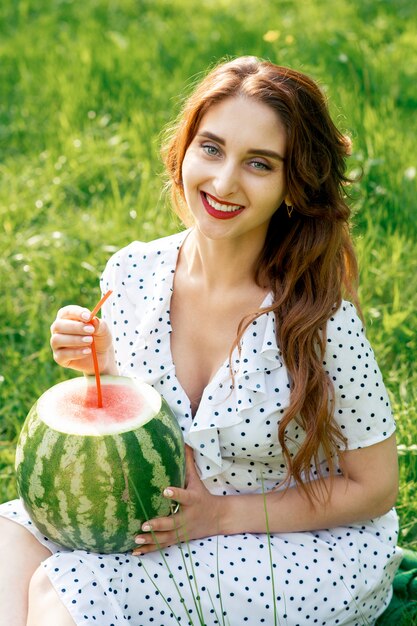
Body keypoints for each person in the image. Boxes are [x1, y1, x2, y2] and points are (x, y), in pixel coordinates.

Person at [0, 56, 402, 626]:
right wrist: (96, 363)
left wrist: (219, 516)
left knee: (64, 592)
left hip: (296, 539)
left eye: (259, 164)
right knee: (4, 546)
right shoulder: (131, 273)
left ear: (292, 186)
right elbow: (144, 420)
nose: (222, 182)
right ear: (185, 149)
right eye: (211, 149)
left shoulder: (319, 317)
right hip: (159, 518)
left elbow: (376, 486)